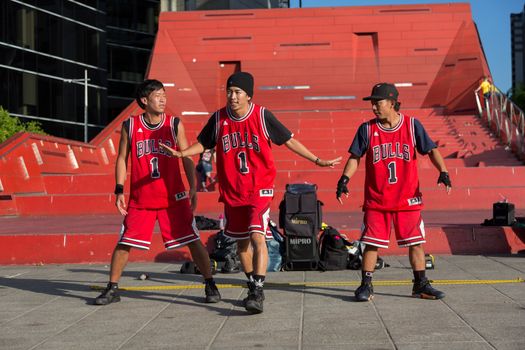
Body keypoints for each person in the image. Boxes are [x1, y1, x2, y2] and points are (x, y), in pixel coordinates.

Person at [160, 71, 341, 314]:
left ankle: (256, 290)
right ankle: (253, 282)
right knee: (241, 244)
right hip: (233, 191)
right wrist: (182, 153)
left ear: (248, 95)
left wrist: (317, 160)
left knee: (258, 235)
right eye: (229, 92)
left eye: (237, 93)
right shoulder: (219, 118)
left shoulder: (262, 116)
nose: (232, 97)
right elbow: (204, 142)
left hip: (260, 188)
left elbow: (288, 140)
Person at [94, 79, 221, 305]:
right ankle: (112, 289)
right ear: (145, 100)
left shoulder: (173, 124)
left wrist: (193, 187)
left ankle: (210, 284)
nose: (163, 99)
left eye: (164, 94)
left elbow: (187, 157)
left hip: (173, 197)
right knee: (125, 242)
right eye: (158, 95)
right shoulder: (130, 126)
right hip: (141, 198)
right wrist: (119, 189)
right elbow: (122, 158)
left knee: (193, 240)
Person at [336, 82, 452, 302]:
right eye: (372, 103)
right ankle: (366, 285)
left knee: (416, 243)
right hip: (377, 200)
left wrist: (443, 172)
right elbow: (355, 158)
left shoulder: (411, 126)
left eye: (377, 102)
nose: (373, 107)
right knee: (371, 243)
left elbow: (432, 150)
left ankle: (420, 285)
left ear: (392, 103)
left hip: (407, 199)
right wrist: (344, 179)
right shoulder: (367, 129)